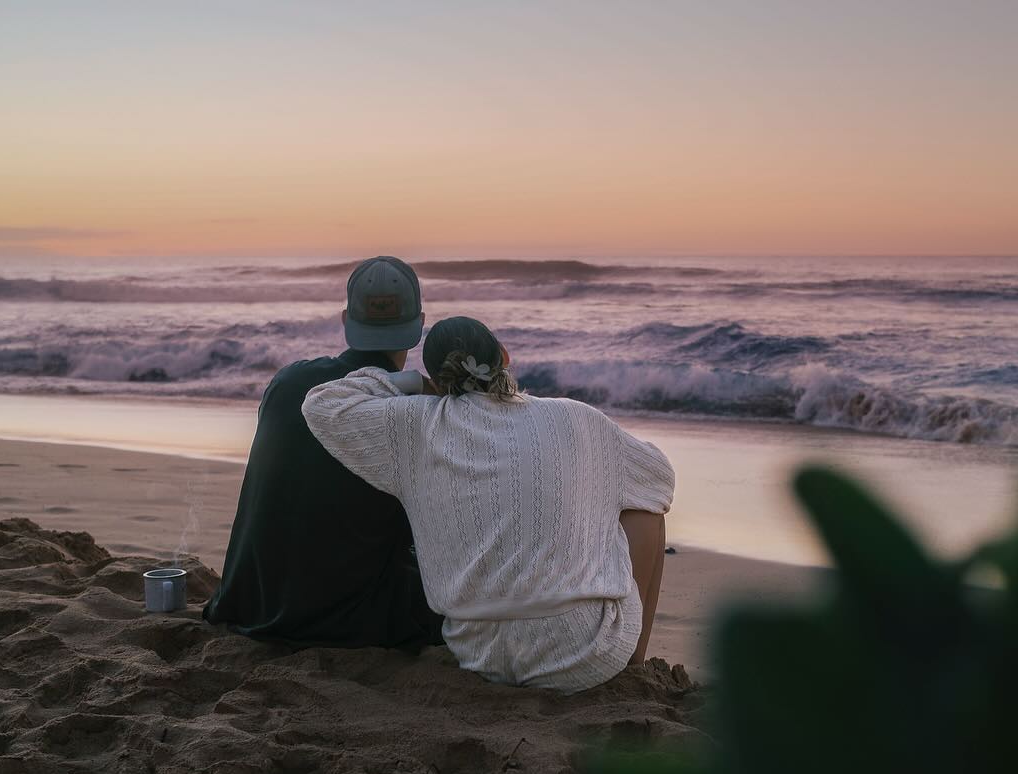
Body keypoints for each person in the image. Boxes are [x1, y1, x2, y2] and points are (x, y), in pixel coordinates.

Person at [301, 316, 674, 692]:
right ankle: (631, 664)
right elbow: (660, 478)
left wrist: (413, 383)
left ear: (438, 378)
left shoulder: (414, 424)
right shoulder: (574, 417)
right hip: (583, 654)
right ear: (505, 357)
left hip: (477, 654)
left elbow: (322, 402)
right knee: (645, 509)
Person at [202, 256, 444, 650]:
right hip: (349, 619)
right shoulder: (412, 416)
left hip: (253, 603)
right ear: (419, 324)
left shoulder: (287, 381)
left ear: (347, 319)